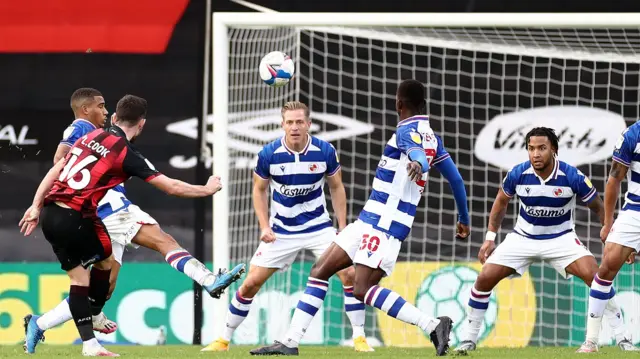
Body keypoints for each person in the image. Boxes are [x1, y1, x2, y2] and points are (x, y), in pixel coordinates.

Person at [250, 80, 470, 357]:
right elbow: (457, 180)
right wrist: (463, 218)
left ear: (398, 104)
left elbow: (416, 155)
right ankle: (290, 342)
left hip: (385, 225)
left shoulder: (406, 131)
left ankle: (432, 324)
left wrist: (419, 163)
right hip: (368, 220)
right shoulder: (432, 138)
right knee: (319, 271)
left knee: (362, 288)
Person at [24, 89, 245, 354]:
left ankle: (43, 322)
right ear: (142, 124)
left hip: (81, 211)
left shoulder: (98, 136)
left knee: (104, 284)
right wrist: (207, 189)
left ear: (116, 117)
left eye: (108, 109)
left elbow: (62, 166)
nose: (104, 113)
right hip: (105, 208)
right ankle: (208, 280)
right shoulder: (85, 127)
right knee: (163, 241)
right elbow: (60, 159)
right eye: (101, 106)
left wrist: (39, 204)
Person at [202, 101, 373, 352]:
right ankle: (223, 340)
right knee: (250, 283)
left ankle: (359, 338)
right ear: (282, 125)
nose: (294, 127)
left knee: (348, 274)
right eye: (290, 122)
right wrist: (264, 226)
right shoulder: (269, 154)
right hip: (281, 232)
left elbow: (336, 187)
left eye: (299, 122)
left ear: (308, 124)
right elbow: (258, 191)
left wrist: (343, 227)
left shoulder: (324, 151)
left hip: (319, 228)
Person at [453, 127, 636, 354]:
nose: (536, 154)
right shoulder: (517, 174)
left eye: (542, 148)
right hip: (523, 238)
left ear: (554, 150)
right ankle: (468, 339)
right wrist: (490, 238)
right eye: (531, 149)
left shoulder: (572, 176)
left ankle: (622, 336)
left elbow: (599, 207)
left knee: (596, 277)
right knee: (484, 278)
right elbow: (501, 203)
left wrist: (612, 235)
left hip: (561, 240)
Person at [577, 123, 640, 353]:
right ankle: (591, 341)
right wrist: (608, 223)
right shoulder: (632, 135)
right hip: (635, 212)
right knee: (605, 271)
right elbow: (614, 178)